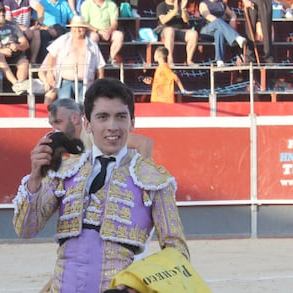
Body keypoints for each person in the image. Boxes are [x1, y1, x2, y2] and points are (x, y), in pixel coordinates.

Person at [12, 78, 189, 292]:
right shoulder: (67, 171)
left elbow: (177, 251)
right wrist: (35, 178)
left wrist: (136, 286)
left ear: (132, 122)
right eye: (103, 117)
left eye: (120, 117)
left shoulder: (154, 180)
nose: (112, 126)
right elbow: (26, 229)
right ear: (88, 124)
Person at [43, 15, 106, 103]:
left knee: (82, 107)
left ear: (85, 29)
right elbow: (51, 56)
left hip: (85, 82)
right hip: (65, 81)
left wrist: (99, 83)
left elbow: (100, 66)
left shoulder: (92, 45)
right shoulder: (63, 39)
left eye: (80, 27)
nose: (77, 30)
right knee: (64, 104)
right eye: (75, 27)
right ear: (71, 28)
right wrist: (49, 73)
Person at [199, 0, 247, 67]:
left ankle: (219, 60)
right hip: (207, 30)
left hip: (220, 29)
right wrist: (222, 24)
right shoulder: (204, 4)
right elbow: (208, 16)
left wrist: (233, 19)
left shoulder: (221, 4)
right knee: (218, 21)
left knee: (219, 32)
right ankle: (236, 37)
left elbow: (231, 13)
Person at [81, 0, 124, 66]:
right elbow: (84, 23)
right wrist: (98, 31)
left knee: (119, 35)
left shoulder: (112, 4)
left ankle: (112, 58)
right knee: (93, 37)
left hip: (108, 31)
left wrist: (109, 31)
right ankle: (94, 60)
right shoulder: (86, 4)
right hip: (93, 31)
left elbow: (114, 23)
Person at [156, 0, 198, 65]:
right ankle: (170, 59)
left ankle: (189, 60)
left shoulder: (180, 6)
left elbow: (186, 20)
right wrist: (175, 10)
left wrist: (183, 9)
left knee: (193, 34)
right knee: (170, 30)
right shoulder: (161, 6)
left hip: (180, 30)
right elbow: (163, 20)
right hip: (166, 30)